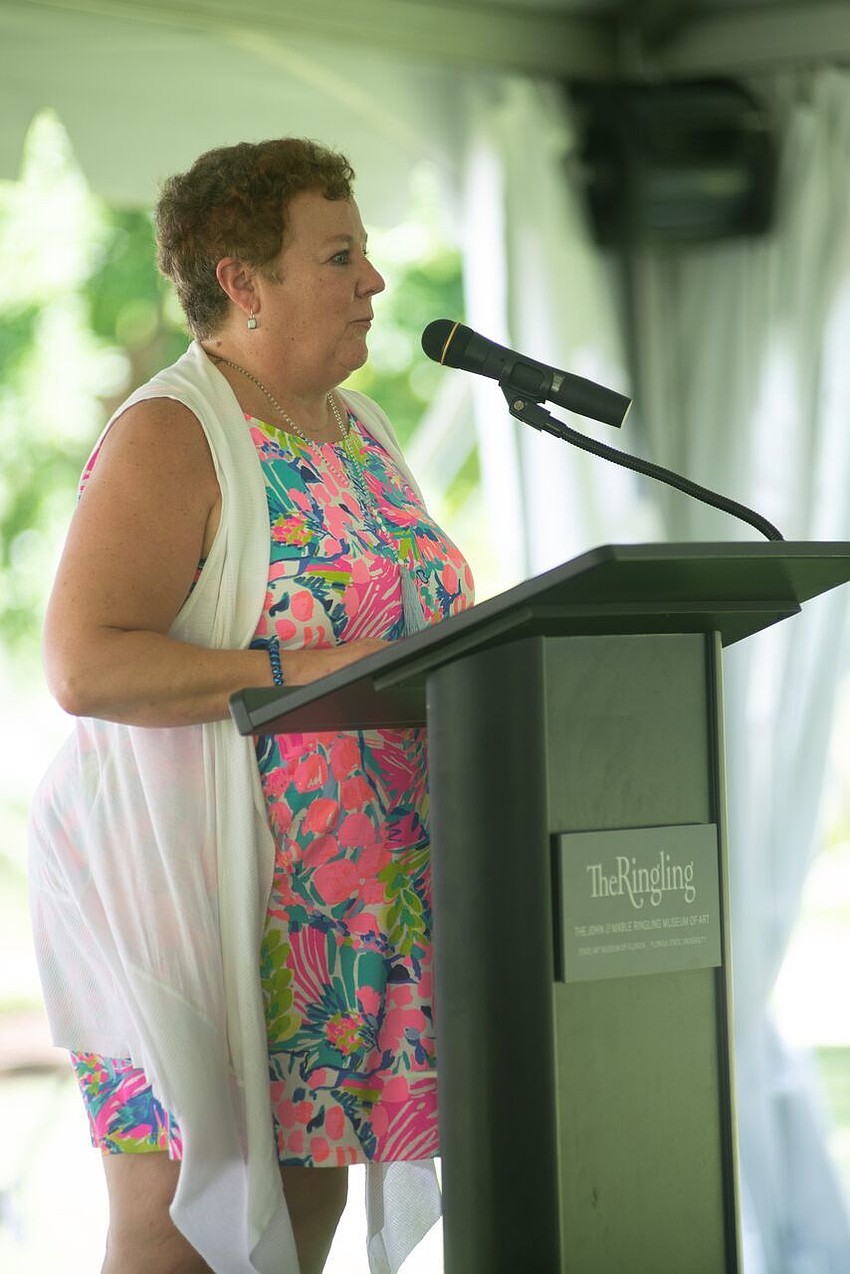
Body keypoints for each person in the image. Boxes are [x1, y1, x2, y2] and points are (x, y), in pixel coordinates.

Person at [28, 137, 474, 1274]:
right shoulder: (173, 432)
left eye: (365, 254)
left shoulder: (362, 432)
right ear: (243, 280)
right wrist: (306, 670)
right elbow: (86, 664)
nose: (373, 281)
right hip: (197, 895)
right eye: (339, 255)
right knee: (185, 1224)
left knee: (293, 1231)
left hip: (345, 913)